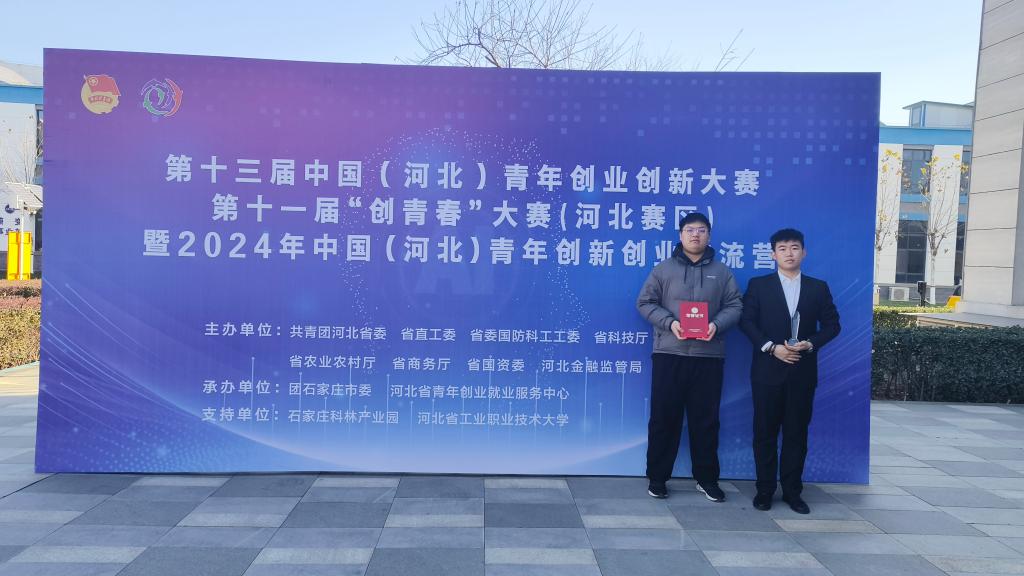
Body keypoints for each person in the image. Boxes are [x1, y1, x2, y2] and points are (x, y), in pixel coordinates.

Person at [636, 212, 742, 501]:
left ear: (709, 235)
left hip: (709, 356)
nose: (696, 234)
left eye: (702, 230)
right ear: (681, 235)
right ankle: (657, 478)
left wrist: (716, 325)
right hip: (669, 354)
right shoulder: (663, 269)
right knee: (664, 418)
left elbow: (735, 305)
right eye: (690, 230)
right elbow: (645, 302)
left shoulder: (722, 272)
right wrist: (670, 323)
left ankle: (706, 479)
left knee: (705, 421)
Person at [739, 228, 840, 514]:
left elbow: (833, 325)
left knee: (796, 434)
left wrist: (811, 343)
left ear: (803, 252)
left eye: (794, 247)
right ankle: (764, 490)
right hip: (767, 371)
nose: (789, 253)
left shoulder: (818, 287)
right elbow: (746, 321)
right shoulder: (759, 285)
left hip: (801, 371)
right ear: (773, 254)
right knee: (764, 433)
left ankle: (793, 492)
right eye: (782, 249)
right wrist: (772, 348)